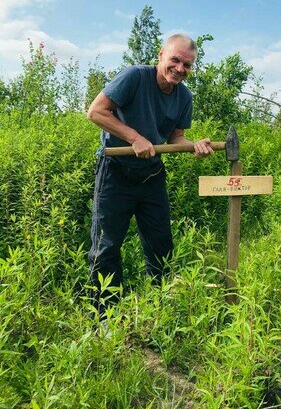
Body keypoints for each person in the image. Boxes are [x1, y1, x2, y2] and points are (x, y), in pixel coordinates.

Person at [87, 33, 213, 316]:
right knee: (106, 246)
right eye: (175, 60)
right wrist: (134, 137)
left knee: (161, 245)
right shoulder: (134, 77)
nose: (180, 69)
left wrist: (195, 146)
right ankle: (105, 317)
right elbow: (96, 112)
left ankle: (160, 310)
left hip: (151, 175)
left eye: (187, 65)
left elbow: (175, 139)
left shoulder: (184, 97)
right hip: (115, 173)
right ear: (161, 56)